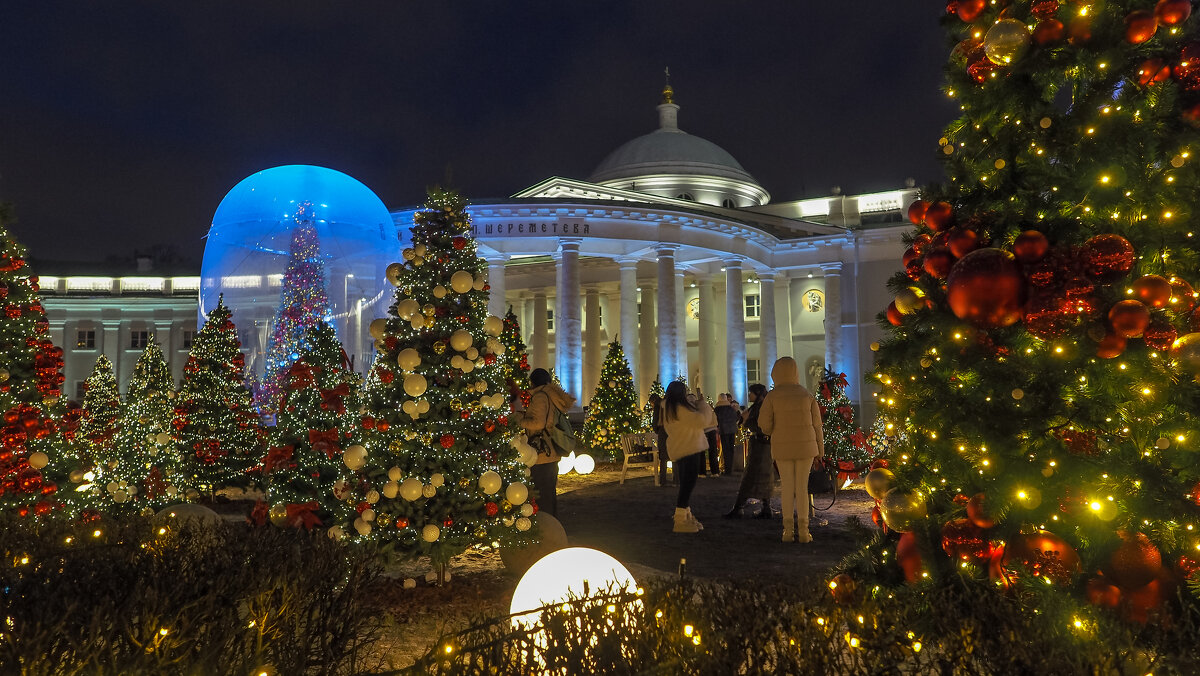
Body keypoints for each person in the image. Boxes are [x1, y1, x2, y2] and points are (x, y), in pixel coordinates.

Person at [759, 357, 824, 543]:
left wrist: (773, 430)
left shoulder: (772, 396)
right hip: (807, 447)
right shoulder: (806, 395)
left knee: (787, 487)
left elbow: (764, 425)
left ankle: (787, 531)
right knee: (802, 488)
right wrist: (820, 451)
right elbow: (817, 425)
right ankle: (804, 532)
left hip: (782, 447)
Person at [517, 368, 575, 517]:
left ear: (533, 382)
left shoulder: (541, 397)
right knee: (548, 491)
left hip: (542, 452)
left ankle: (547, 526)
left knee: (541, 492)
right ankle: (552, 523)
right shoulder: (551, 395)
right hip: (551, 451)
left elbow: (538, 424)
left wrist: (520, 421)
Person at [662, 380, 713, 533]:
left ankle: (686, 515)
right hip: (690, 447)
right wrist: (703, 405)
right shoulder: (680, 408)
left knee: (686, 483)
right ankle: (680, 518)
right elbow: (701, 421)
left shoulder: (669, 408)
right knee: (688, 484)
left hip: (681, 447)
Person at [722, 383, 774, 519]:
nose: (749, 395)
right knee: (763, 475)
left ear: (757, 394)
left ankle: (739, 507)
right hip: (762, 444)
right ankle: (765, 507)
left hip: (761, 445)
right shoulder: (759, 406)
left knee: (751, 475)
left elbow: (761, 426)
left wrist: (747, 421)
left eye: (751, 393)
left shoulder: (761, 408)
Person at [648, 392, 672, 486]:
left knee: (663, 456)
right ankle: (676, 480)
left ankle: (663, 480)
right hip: (671, 430)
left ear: (653, 401)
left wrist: (657, 430)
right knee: (673, 454)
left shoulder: (658, 406)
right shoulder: (668, 404)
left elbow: (655, 421)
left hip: (663, 431)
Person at [714, 394, 740, 475]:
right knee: (731, 449)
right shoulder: (731, 408)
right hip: (732, 430)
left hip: (724, 430)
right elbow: (736, 417)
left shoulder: (717, 409)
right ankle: (730, 468)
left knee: (725, 450)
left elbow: (716, 420)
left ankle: (727, 469)